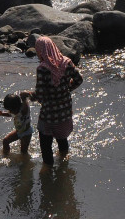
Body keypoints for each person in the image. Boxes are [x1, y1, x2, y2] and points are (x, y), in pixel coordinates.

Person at [31, 36, 83, 166]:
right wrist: (66, 90)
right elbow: (79, 80)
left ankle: (48, 171)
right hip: (65, 109)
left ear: (41, 51)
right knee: (62, 138)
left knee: (45, 144)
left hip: (49, 113)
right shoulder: (67, 62)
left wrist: (31, 96)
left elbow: (41, 94)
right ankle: (64, 163)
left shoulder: (42, 68)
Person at [0, 91, 33, 156]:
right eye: (9, 110)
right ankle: (6, 155)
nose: (10, 112)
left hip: (26, 133)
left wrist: (24, 98)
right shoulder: (14, 110)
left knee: (23, 152)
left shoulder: (24, 111)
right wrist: (1, 113)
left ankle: (24, 162)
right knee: (5, 141)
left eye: (11, 110)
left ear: (18, 106)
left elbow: (26, 106)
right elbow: (10, 114)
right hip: (18, 131)